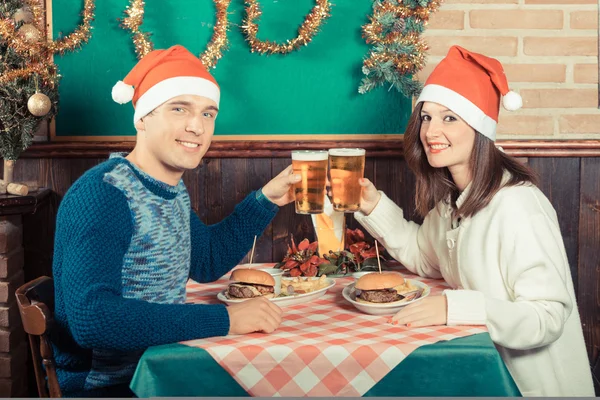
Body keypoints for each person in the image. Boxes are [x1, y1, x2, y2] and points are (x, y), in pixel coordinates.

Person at [51, 45, 300, 397]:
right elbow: (93, 319)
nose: (196, 126)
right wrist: (226, 320)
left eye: (208, 113)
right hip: (113, 387)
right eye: (179, 108)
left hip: (167, 368)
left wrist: (267, 199)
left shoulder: (169, 190)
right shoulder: (105, 193)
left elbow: (206, 260)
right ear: (141, 117)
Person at [353, 45, 595, 397]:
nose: (431, 131)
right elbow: (425, 258)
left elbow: (547, 318)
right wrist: (372, 204)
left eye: (449, 117)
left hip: (530, 387)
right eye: (427, 117)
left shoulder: (518, 205)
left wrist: (455, 306)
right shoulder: (452, 200)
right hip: (479, 374)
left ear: (480, 128)